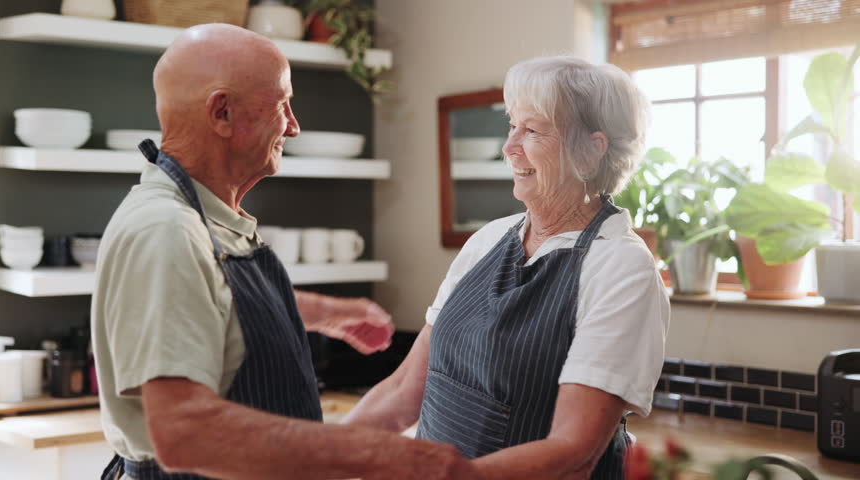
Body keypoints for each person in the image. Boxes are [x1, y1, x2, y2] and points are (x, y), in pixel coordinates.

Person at [91, 24, 480, 480]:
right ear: (222, 113)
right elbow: (183, 432)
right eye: (283, 104)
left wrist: (324, 312)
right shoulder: (167, 230)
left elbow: (212, 302)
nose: (293, 126)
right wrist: (377, 454)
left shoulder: (204, 218)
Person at [342, 56, 670, 479]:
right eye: (511, 126)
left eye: (532, 130)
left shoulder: (621, 268)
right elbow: (406, 392)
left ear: (591, 151)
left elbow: (574, 453)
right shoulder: (489, 240)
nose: (509, 146)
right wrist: (311, 456)